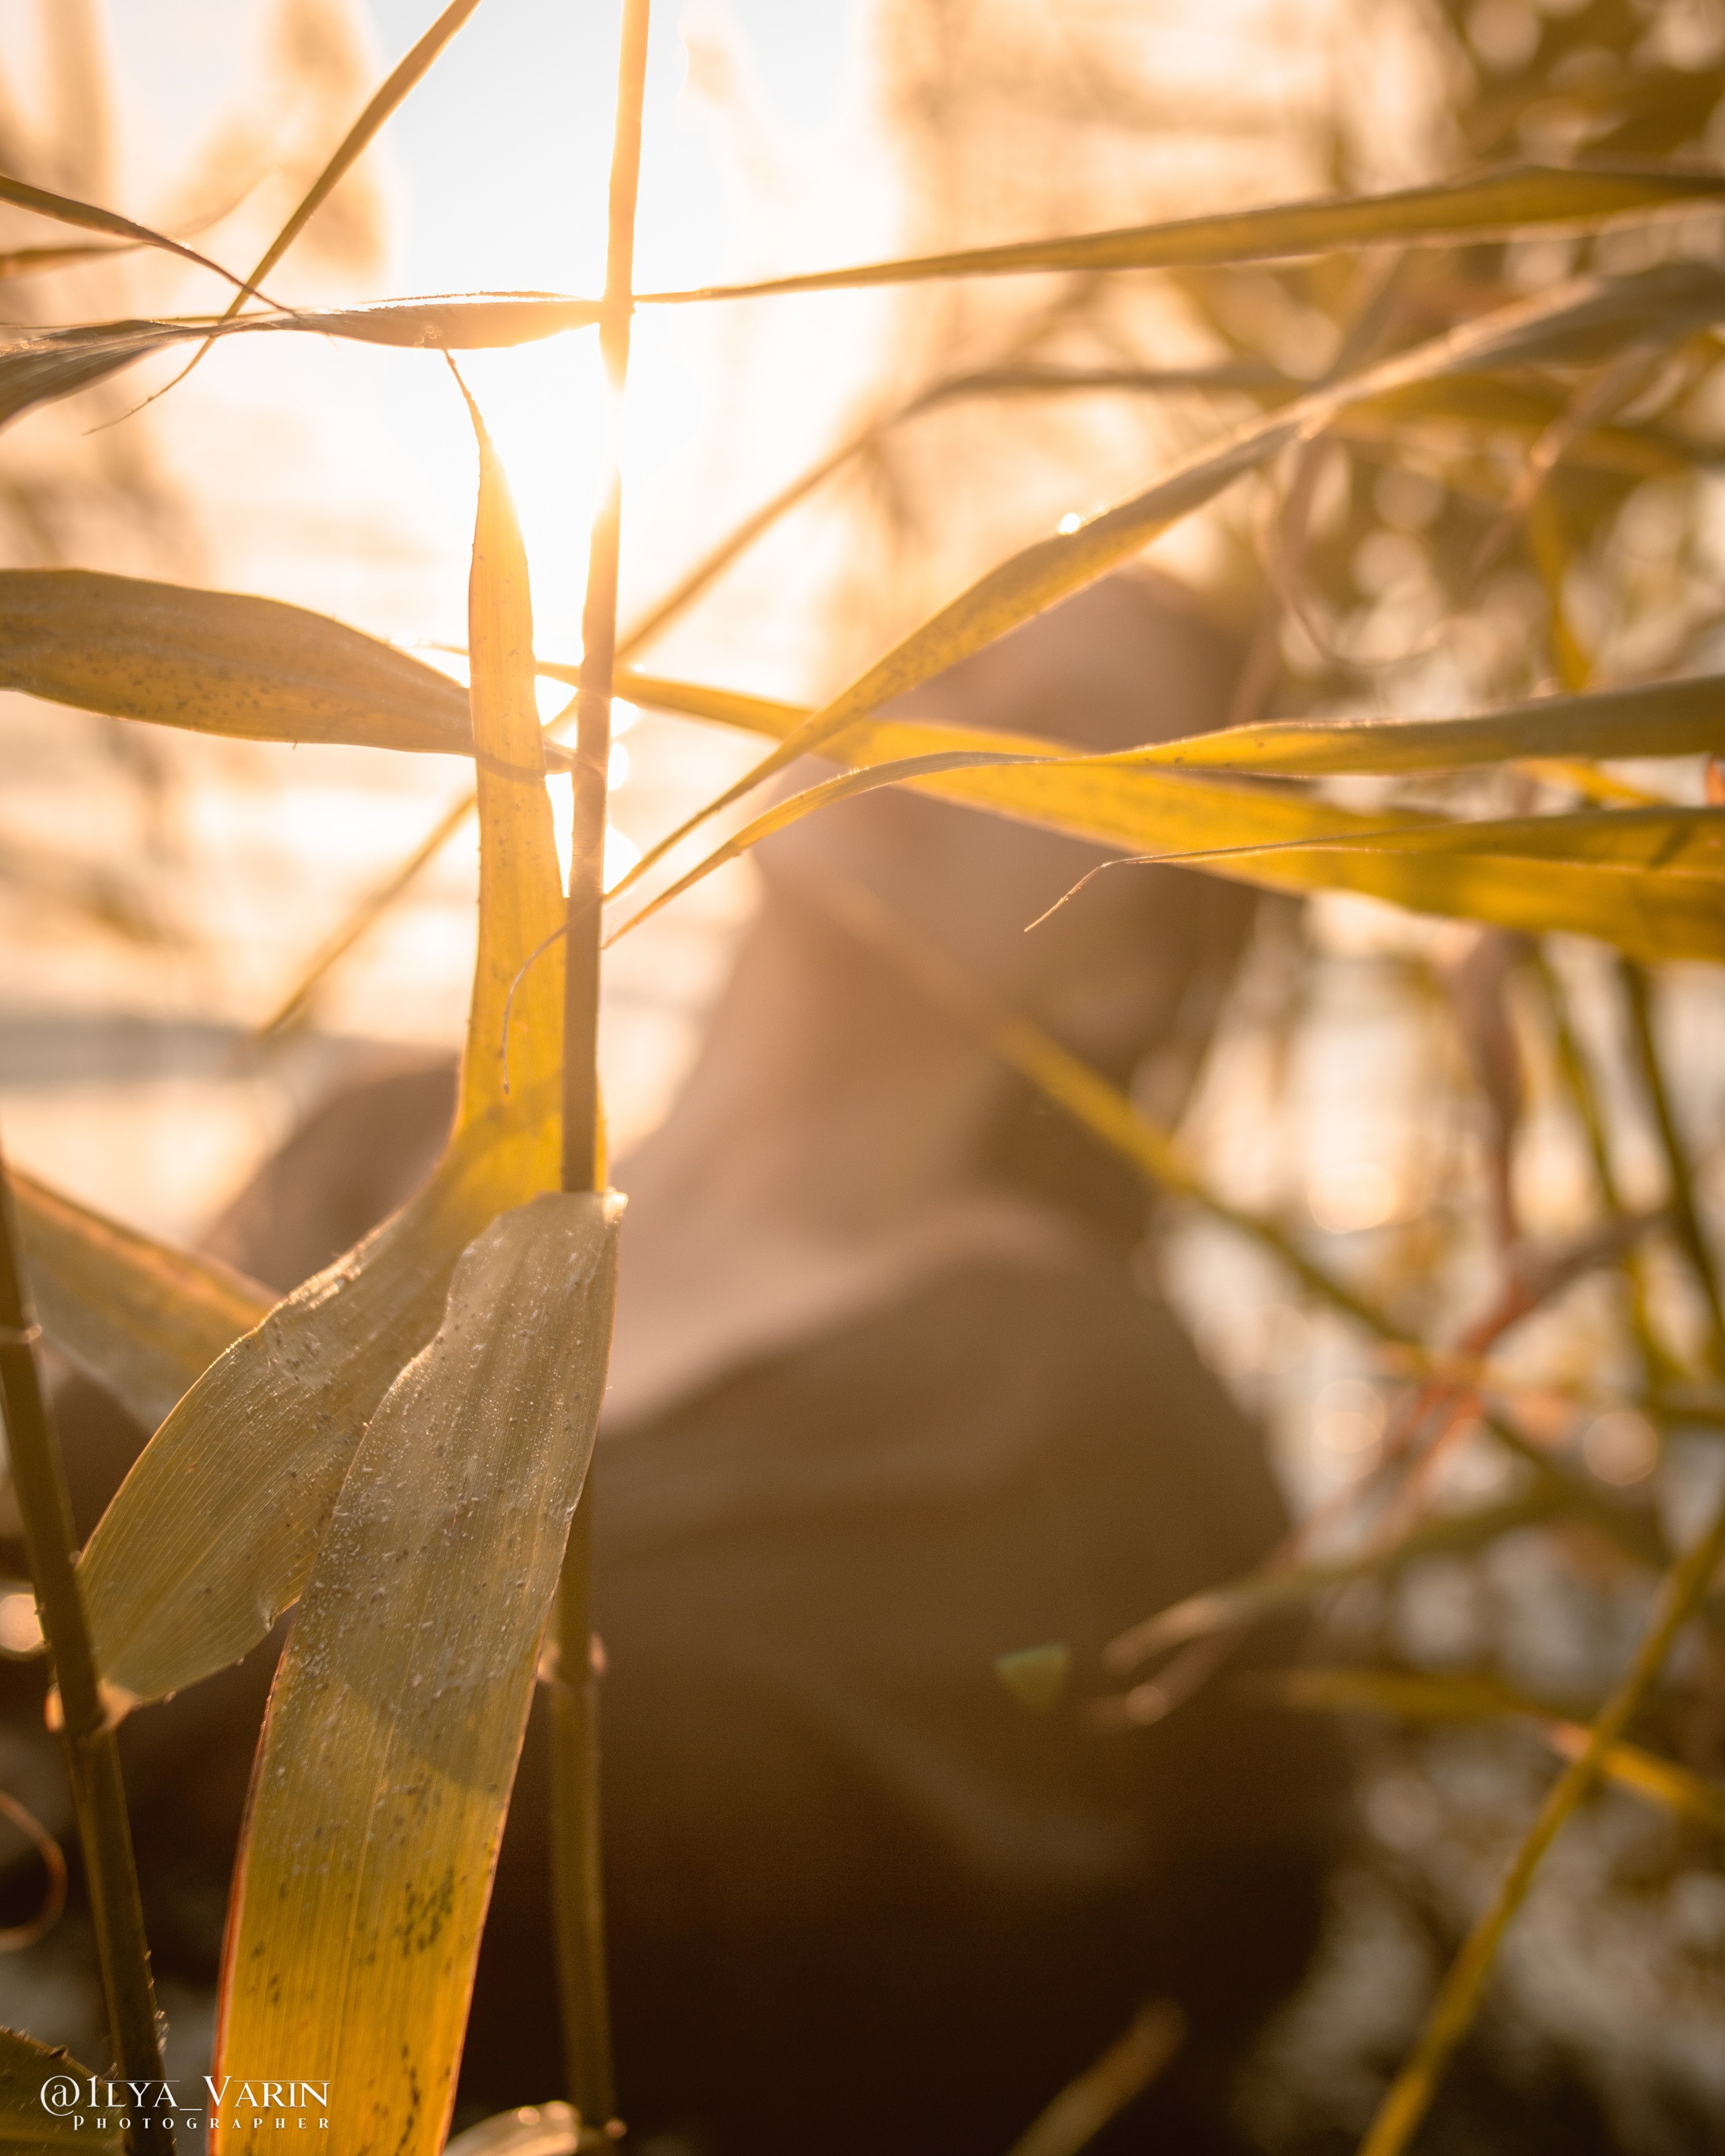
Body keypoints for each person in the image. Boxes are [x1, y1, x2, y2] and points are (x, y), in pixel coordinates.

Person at [9, 569, 1341, 2155]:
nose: (938, 720)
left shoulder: (1078, 1406)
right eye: (938, 654)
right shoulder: (389, 1143)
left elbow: (1188, 1943)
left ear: (1124, 968)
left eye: (1057, 731)